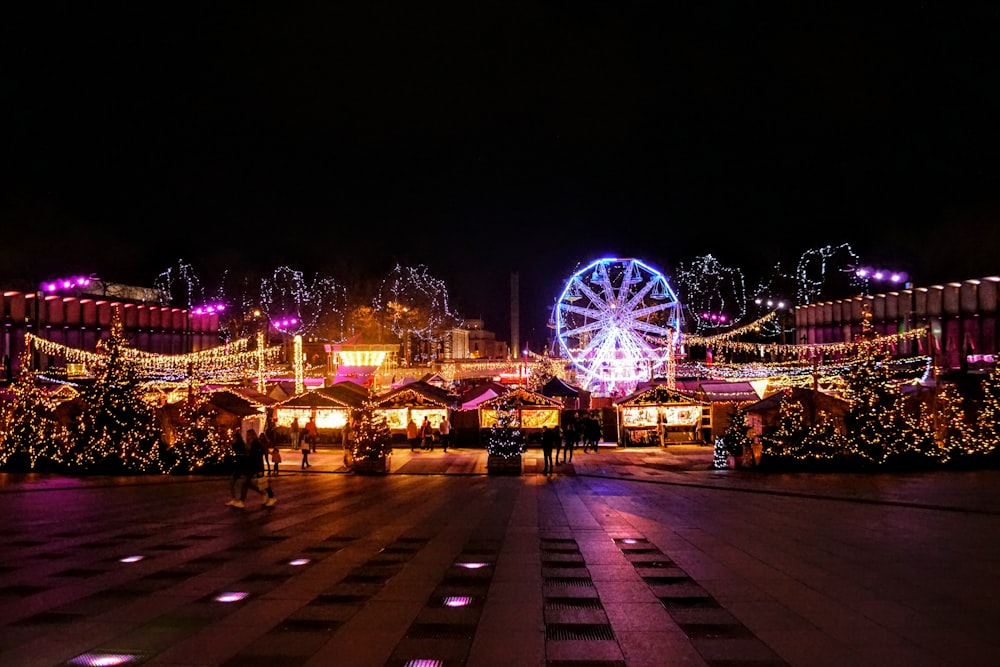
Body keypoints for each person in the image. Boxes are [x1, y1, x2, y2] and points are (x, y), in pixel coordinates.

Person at [240, 429, 276, 507]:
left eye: (249, 435)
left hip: (256, 466)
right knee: (247, 482)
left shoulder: (255, 443)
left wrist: (259, 468)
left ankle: (271, 496)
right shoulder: (252, 443)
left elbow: (257, 455)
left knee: (263, 483)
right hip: (253, 466)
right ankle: (241, 501)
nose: (247, 436)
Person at [225, 429, 248, 506]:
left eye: (234, 438)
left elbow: (243, 455)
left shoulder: (240, 445)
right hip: (238, 466)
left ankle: (263, 493)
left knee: (247, 483)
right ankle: (234, 499)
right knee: (232, 482)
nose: (232, 440)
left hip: (242, 465)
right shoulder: (236, 445)